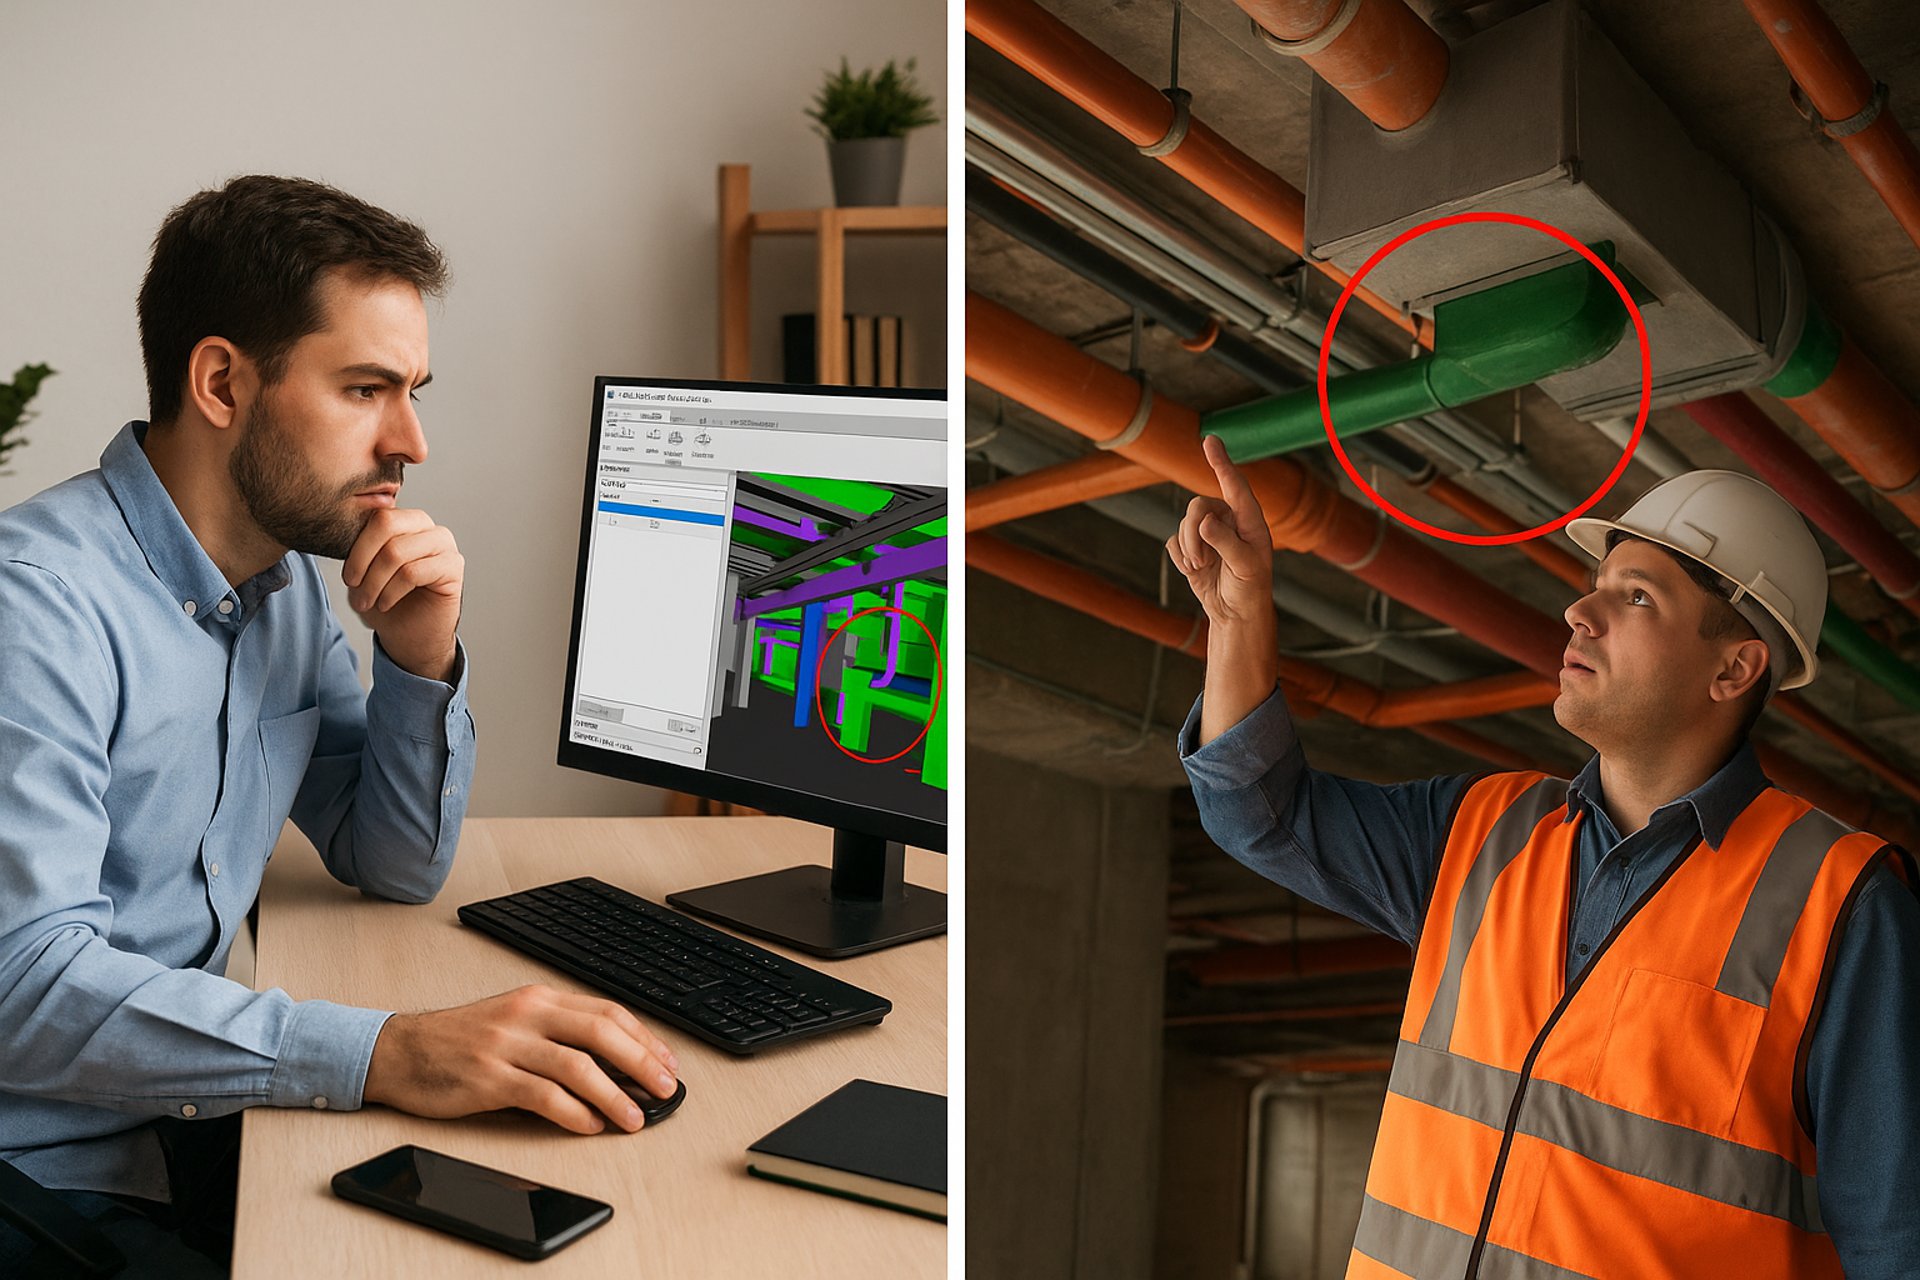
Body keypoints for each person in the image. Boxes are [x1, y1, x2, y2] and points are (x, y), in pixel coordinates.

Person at [0, 176, 678, 1274]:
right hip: (45, 1172)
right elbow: (21, 988)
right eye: (366, 388)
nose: (411, 438)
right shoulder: (34, 606)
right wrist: (388, 1049)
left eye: (412, 389)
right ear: (222, 381)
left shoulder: (283, 587)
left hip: (187, 1124)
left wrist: (418, 659)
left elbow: (393, 859)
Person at [1169, 434, 1919, 1278]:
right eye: (1595, 587)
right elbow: (1257, 811)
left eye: (1636, 597)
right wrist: (1237, 620)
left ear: (1734, 667)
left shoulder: (1842, 904)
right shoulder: (1480, 832)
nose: (1579, 612)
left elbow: (1896, 1241)